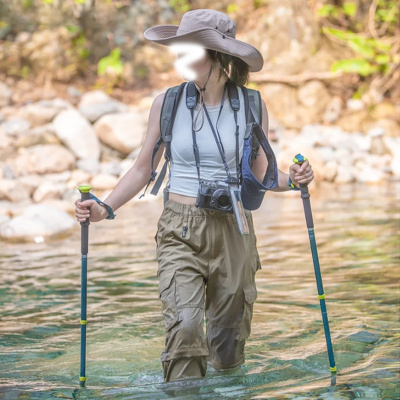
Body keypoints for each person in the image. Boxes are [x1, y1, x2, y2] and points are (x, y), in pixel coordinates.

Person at [75, 9, 314, 383]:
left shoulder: (252, 106)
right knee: (186, 329)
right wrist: (104, 207)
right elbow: (142, 169)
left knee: (229, 346)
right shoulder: (167, 104)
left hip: (236, 229)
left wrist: (296, 180)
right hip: (180, 228)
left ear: (219, 56)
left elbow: (262, 174)